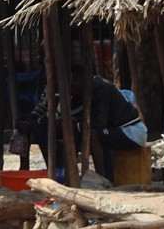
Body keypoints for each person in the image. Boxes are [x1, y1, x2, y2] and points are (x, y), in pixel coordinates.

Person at [16, 66, 146, 181]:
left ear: (79, 79)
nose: (71, 89)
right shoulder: (78, 91)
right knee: (66, 130)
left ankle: (102, 178)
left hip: (131, 132)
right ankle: (62, 172)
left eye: (72, 84)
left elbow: (98, 123)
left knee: (92, 133)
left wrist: (70, 125)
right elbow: (55, 115)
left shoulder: (100, 89)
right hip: (112, 131)